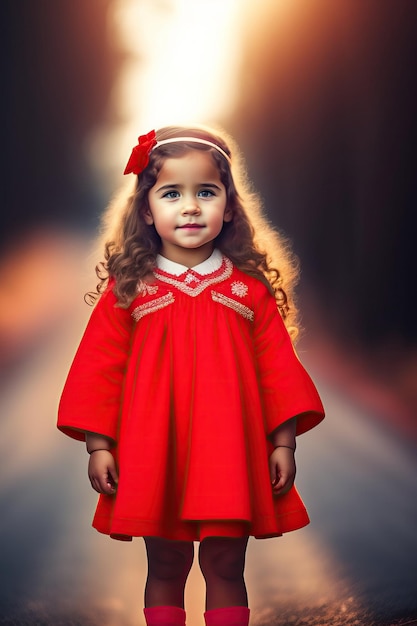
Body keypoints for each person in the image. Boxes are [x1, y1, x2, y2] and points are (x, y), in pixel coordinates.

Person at [57, 125, 324, 626]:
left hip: (231, 454)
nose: (191, 206)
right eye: (171, 193)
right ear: (146, 210)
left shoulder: (248, 292)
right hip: (156, 453)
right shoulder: (130, 290)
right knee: (166, 562)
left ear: (228, 206)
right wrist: (100, 445)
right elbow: (99, 372)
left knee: (226, 563)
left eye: (206, 192)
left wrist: (283, 443)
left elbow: (278, 374)